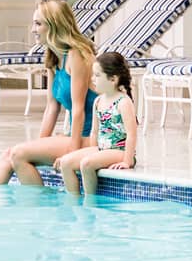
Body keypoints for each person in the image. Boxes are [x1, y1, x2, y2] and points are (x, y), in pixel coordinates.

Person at [0, 0, 97, 187]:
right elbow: (52, 107)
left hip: (90, 138)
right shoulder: (54, 57)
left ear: (55, 25)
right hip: (75, 135)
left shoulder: (77, 55)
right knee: (11, 154)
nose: (33, 29)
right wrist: (37, 146)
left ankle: (40, 203)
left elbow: (79, 108)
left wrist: (72, 152)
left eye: (38, 23)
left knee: (18, 154)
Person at [57, 51, 138, 195]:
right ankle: (74, 201)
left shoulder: (124, 102)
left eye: (97, 75)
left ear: (113, 79)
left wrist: (127, 160)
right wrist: (93, 152)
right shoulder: (98, 101)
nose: (93, 79)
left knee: (86, 164)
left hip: (119, 151)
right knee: (65, 162)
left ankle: (90, 202)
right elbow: (94, 131)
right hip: (102, 149)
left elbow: (132, 135)